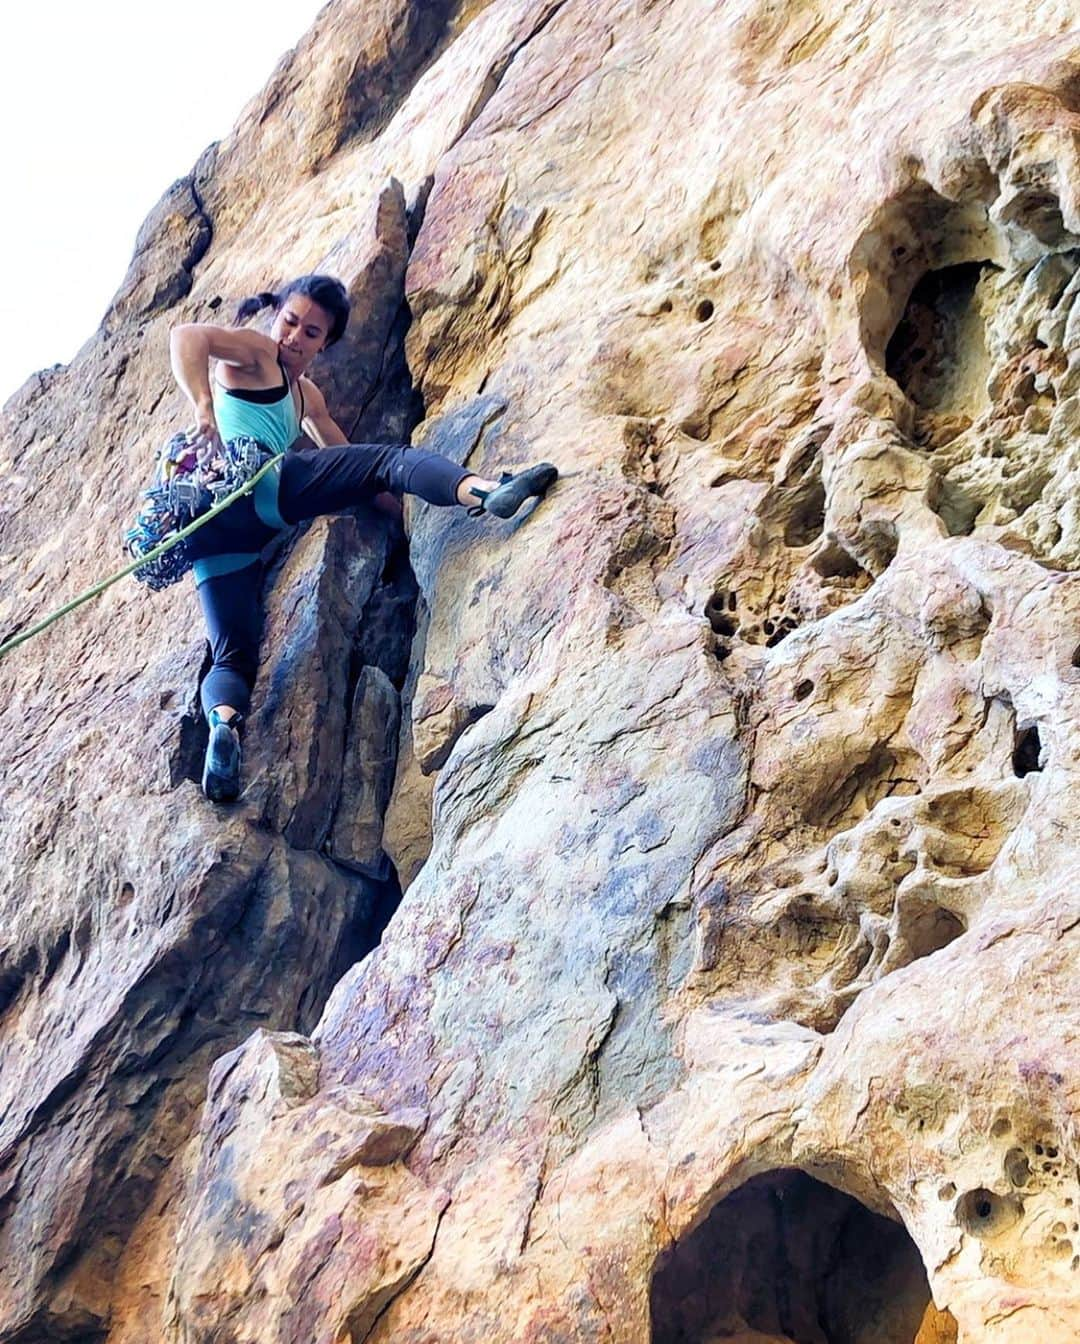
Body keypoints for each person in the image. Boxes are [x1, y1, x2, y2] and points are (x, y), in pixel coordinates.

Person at [169, 273, 557, 802]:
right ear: (274, 318)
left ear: (325, 343)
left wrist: (402, 517)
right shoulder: (257, 354)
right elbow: (187, 336)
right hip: (254, 491)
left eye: (310, 332)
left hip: (215, 534)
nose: (294, 337)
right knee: (391, 459)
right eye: (289, 321)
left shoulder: (307, 398)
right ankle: (486, 492)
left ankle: (223, 727)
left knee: (232, 656)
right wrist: (202, 405)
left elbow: (349, 466)